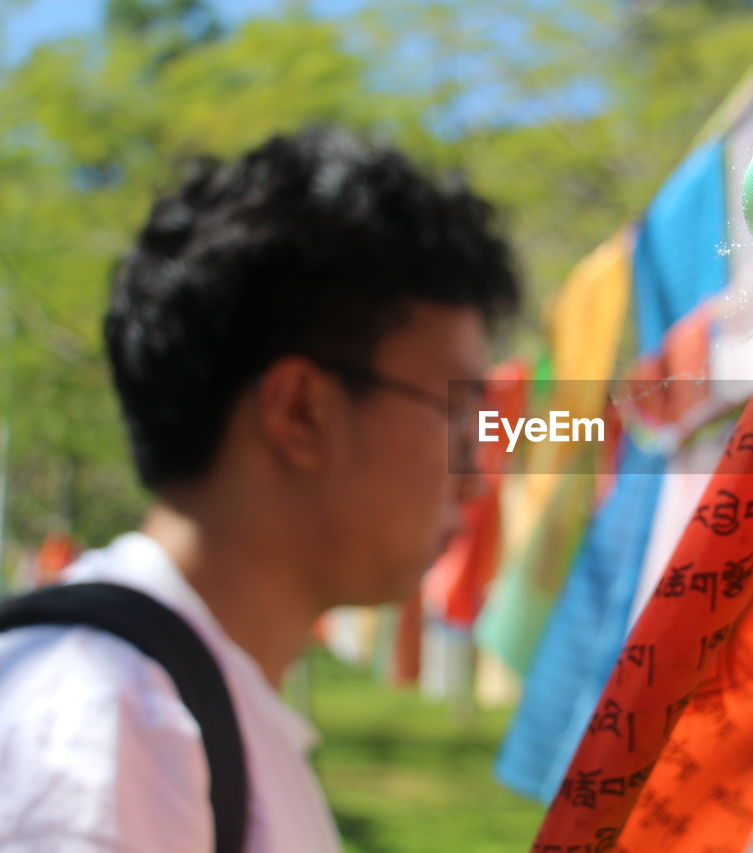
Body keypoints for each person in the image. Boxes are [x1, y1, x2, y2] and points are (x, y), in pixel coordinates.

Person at [0, 126, 519, 851]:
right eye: (457, 415)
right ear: (300, 411)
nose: (474, 479)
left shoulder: (182, 704)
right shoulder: (104, 727)